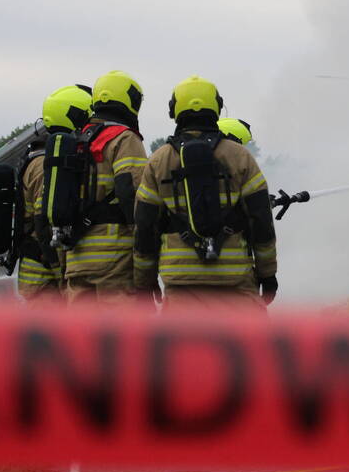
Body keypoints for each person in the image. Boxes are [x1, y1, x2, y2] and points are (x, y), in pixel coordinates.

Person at [133, 76, 277, 309]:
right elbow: (261, 219)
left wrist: (144, 280)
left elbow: (145, 225)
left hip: (180, 281)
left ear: (174, 111)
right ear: (217, 108)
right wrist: (268, 273)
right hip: (234, 280)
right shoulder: (240, 156)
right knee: (247, 344)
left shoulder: (159, 160)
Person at [64, 70, 147, 303]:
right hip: (114, 256)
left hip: (77, 256)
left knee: (80, 334)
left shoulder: (76, 140)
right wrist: (144, 243)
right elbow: (132, 192)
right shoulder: (124, 138)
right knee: (119, 334)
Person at [18, 85, 93, 302]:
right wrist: (62, 276)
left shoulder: (36, 157)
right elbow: (45, 223)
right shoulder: (47, 165)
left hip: (39, 276)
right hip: (46, 279)